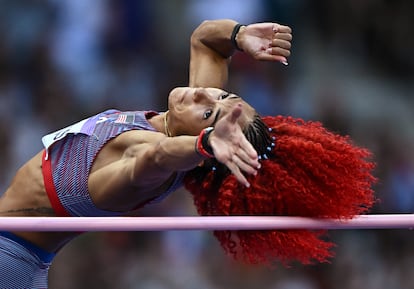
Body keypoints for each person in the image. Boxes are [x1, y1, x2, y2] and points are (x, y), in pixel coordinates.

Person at [0, 19, 375, 287]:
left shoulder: (149, 162)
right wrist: (239, 35)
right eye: (223, 95)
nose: (202, 94)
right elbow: (205, 41)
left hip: (9, 260)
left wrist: (205, 144)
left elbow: (157, 157)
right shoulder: (179, 120)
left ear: (207, 143)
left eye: (210, 112)